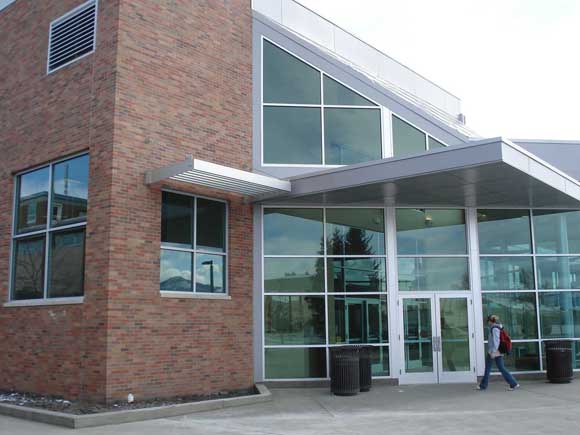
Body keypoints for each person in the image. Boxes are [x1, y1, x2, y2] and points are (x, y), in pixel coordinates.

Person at [476, 314, 520, 391]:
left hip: (494, 351)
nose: (487, 322)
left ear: (490, 321)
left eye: (488, 321)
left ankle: (483, 386)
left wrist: (493, 352)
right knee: (501, 368)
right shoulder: (498, 327)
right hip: (497, 351)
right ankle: (513, 383)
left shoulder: (494, 328)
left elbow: (496, 341)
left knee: (488, 368)